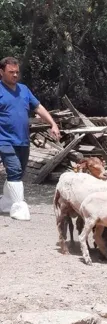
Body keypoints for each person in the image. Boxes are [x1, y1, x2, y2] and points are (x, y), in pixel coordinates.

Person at [0, 56, 60, 221]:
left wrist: (52, 124)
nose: (15, 75)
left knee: (19, 173)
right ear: (1, 72)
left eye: (17, 72)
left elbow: (38, 107)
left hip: (22, 139)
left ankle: (5, 202)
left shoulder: (24, 89)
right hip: (3, 140)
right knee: (14, 170)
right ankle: (18, 207)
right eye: (11, 72)